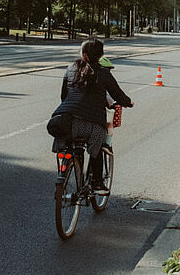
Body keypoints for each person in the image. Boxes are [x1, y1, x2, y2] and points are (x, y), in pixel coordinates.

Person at [52, 37, 133, 193]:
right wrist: (129, 103)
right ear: (100, 56)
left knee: (70, 145)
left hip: (65, 121)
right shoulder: (103, 73)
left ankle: (68, 168)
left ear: (84, 55)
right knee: (98, 144)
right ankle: (97, 182)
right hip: (91, 126)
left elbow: (64, 96)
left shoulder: (70, 69)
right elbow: (118, 95)